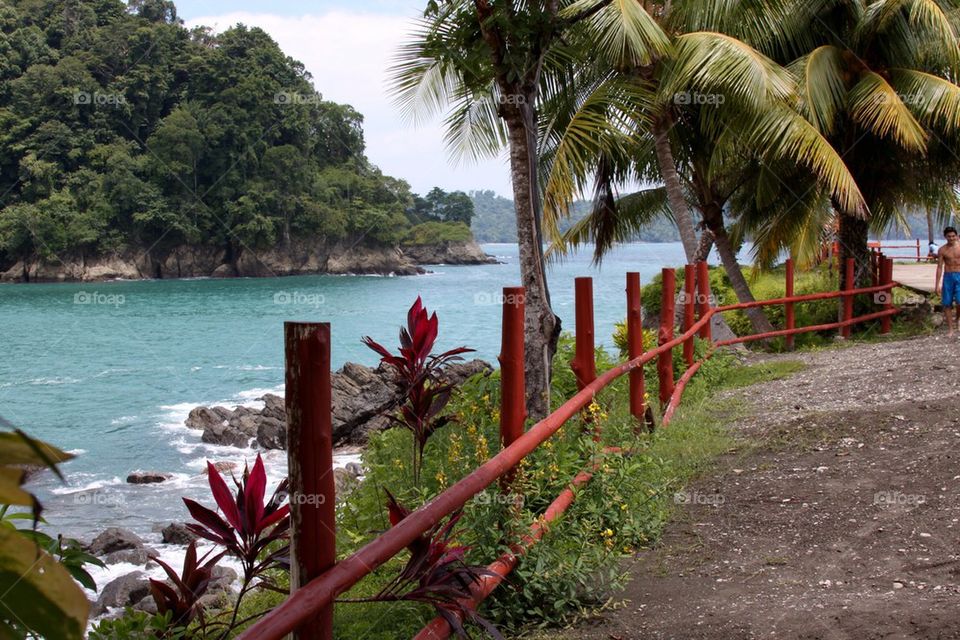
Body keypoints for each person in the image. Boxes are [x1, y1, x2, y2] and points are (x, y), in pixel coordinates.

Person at [935, 226, 960, 336]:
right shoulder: (942, 250)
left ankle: (958, 319)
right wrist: (937, 284)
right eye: (949, 236)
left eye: (953, 236)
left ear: (957, 236)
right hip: (948, 277)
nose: (951, 238)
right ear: (945, 237)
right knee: (947, 303)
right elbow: (939, 267)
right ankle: (950, 329)